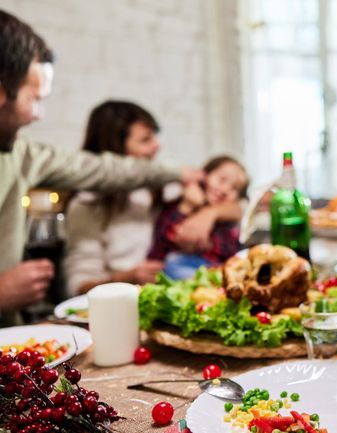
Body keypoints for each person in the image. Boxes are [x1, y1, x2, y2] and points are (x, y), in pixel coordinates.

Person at [0, 10, 200, 325]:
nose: (39, 115)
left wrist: (184, 175)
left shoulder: (21, 154)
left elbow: (105, 170)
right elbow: (78, 283)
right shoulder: (86, 207)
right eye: (35, 99)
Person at [64, 101, 243, 295]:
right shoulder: (86, 205)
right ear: (116, 151)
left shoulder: (168, 186)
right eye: (145, 140)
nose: (157, 146)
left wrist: (210, 214)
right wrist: (127, 278)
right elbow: (79, 286)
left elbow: (238, 205)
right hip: (126, 303)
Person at [147, 155, 248, 279]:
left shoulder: (228, 220)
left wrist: (210, 244)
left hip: (213, 270)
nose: (225, 189)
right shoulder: (180, 204)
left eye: (235, 188)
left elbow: (230, 250)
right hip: (178, 267)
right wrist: (186, 206)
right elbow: (161, 240)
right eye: (222, 179)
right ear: (204, 176)